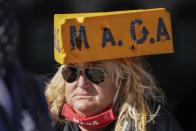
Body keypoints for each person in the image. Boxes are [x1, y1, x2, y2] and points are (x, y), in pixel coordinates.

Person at [45, 8, 183, 131]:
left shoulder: (152, 123)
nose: (81, 83)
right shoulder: (43, 122)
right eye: (71, 72)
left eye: (95, 73)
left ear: (122, 79)